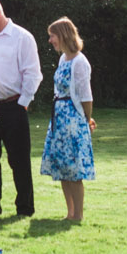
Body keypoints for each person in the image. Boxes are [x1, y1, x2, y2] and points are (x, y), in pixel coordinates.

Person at [0, 0, 41, 219]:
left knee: (19, 160)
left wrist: (22, 104)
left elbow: (33, 73)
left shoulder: (22, 37)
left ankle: (25, 208)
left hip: (13, 106)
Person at [39, 16, 95, 223]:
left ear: (62, 35)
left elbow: (85, 96)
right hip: (59, 118)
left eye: (52, 36)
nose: (50, 40)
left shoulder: (80, 62)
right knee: (62, 166)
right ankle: (69, 212)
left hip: (72, 119)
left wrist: (87, 120)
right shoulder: (63, 59)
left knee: (74, 168)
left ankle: (78, 214)